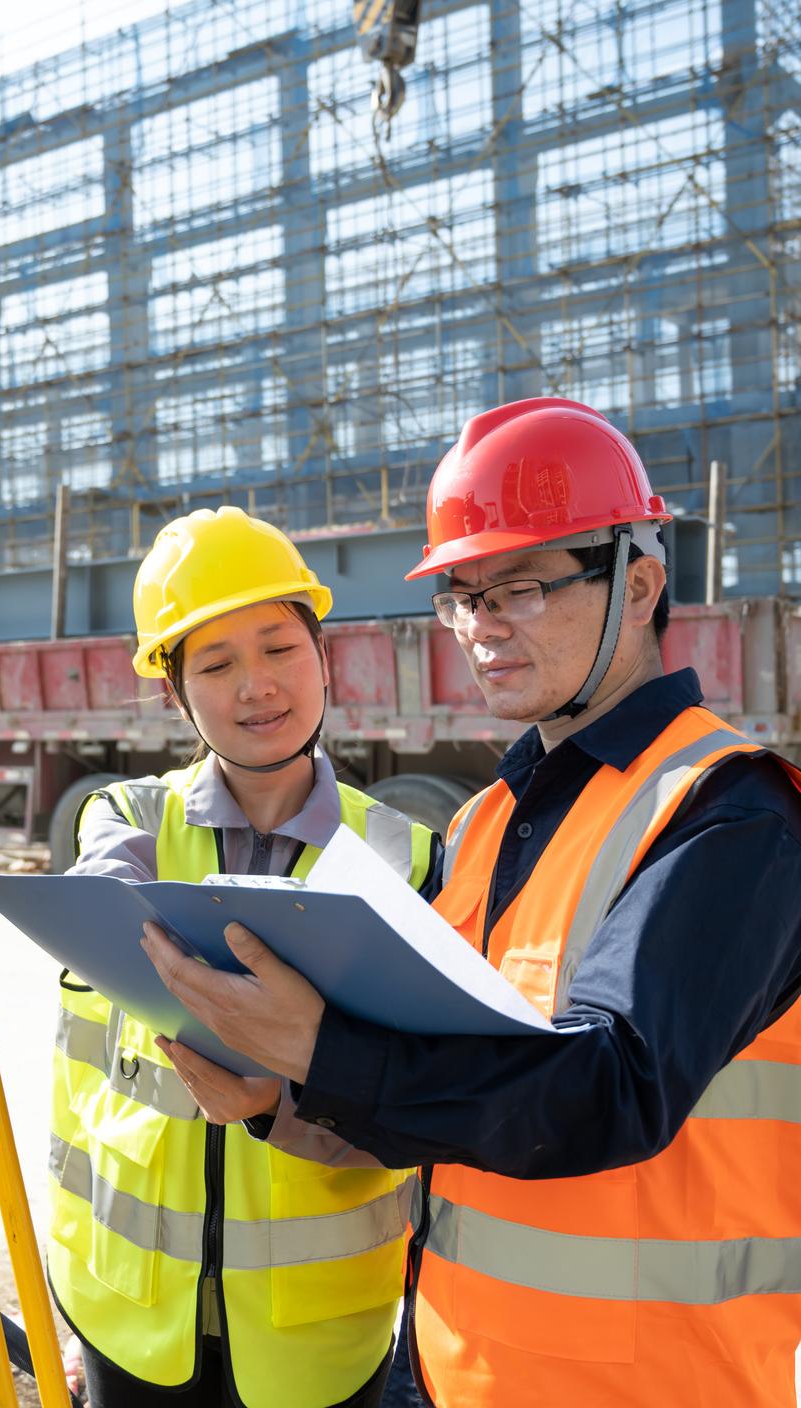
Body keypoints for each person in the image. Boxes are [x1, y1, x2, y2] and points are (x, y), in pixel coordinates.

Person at [141, 398, 801, 1406]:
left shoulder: (728, 813)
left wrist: (322, 1050)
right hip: (456, 1364)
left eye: (521, 588)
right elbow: (444, 1091)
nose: (481, 627)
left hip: (656, 1383)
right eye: (460, 595)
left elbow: (606, 1090)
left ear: (639, 583)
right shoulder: (486, 821)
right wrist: (281, 1096)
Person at [48, 505, 438, 1408]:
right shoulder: (129, 822)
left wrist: (280, 1098)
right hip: (131, 1315)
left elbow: (424, 1090)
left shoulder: (405, 862)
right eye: (216, 664)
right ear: (177, 695)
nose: (257, 686)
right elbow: (105, 904)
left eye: (279, 648)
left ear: (323, 656)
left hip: (320, 1330)